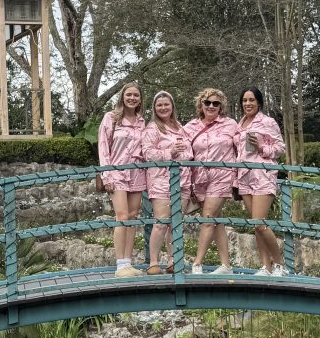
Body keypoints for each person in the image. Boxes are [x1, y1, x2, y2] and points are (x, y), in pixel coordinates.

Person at [183, 88, 239, 274]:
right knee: (216, 220)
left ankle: (197, 264)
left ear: (221, 106)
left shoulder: (230, 125)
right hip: (199, 178)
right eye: (208, 102)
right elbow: (182, 149)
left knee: (207, 218)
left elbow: (243, 145)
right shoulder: (190, 127)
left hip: (222, 175)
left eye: (216, 103)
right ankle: (226, 265)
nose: (212, 106)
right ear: (201, 105)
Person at [235, 86, 288, 276]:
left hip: (262, 176)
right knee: (255, 224)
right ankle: (266, 267)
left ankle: (281, 265)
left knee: (259, 223)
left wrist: (262, 147)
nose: (247, 104)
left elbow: (280, 147)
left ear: (259, 102)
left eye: (251, 100)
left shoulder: (267, 122)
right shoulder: (239, 124)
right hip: (244, 177)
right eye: (245, 100)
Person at [98, 82, 147, 277]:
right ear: (122, 97)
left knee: (133, 216)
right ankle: (120, 265)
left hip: (137, 172)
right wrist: (106, 173)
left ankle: (128, 262)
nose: (132, 98)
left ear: (140, 99)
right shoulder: (111, 118)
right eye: (129, 95)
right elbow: (103, 146)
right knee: (122, 216)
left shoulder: (142, 121)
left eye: (136, 95)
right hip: (117, 171)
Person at [142, 91, 192, 275]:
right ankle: (153, 262)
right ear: (154, 108)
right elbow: (147, 154)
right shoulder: (152, 128)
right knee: (161, 222)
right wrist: (169, 152)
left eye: (166, 104)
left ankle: (174, 260)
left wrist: (181, 154)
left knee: (176, 223)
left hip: (183, 179)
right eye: (159, 105)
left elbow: (189, 152)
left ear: (172, 107)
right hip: (161, 180)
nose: (163, 108)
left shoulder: (181, 127)